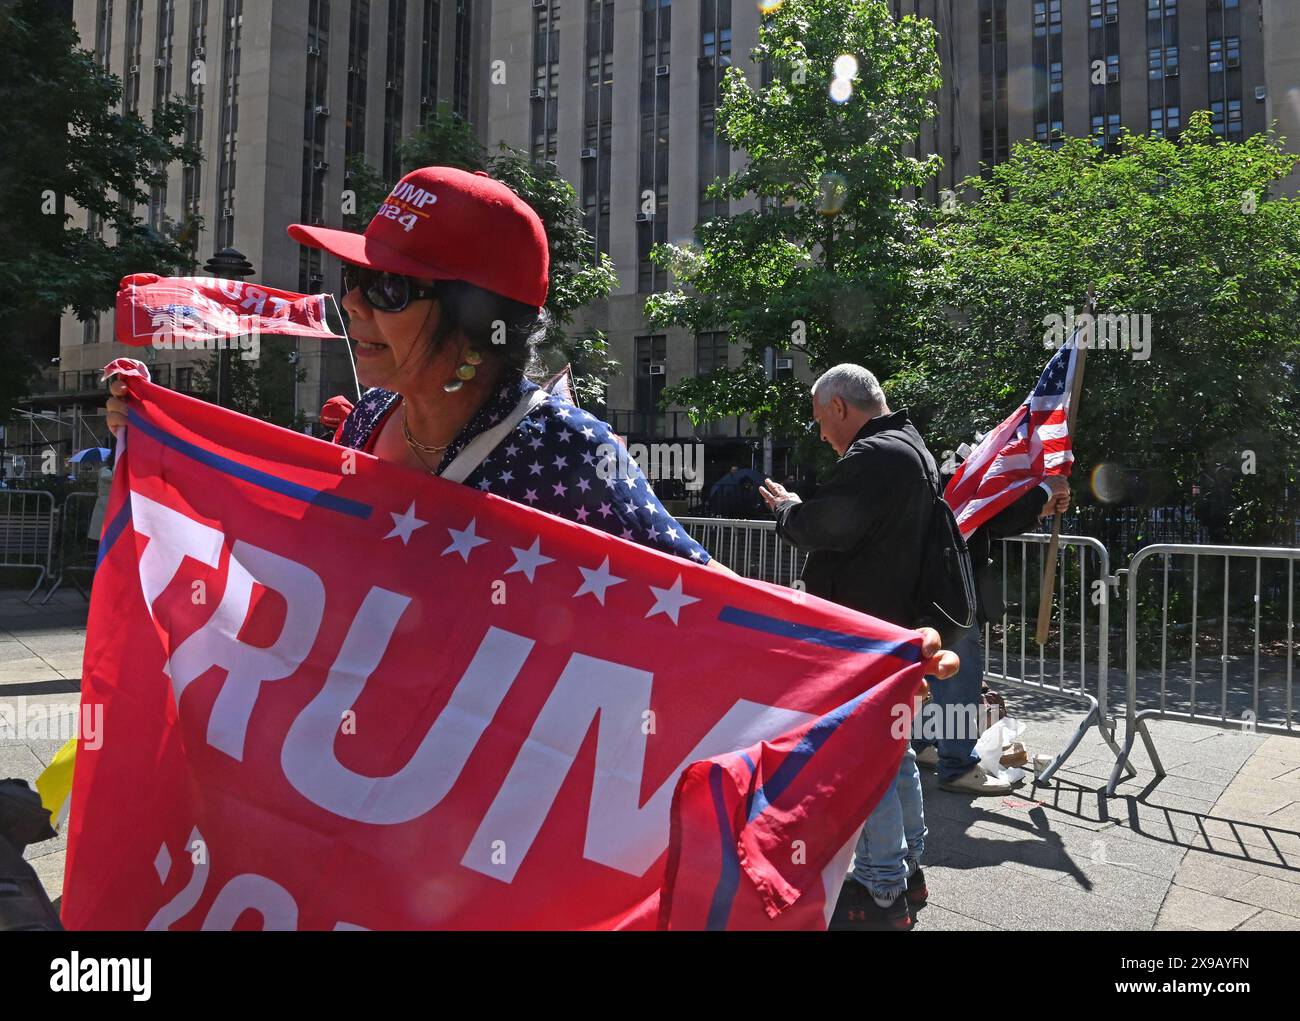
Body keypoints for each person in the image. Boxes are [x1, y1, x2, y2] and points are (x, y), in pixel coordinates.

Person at [759, 364, 948, 931]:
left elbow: (825, 526)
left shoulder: (876, 455)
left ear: (839, 407)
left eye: (820, 420)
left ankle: (881, 886)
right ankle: (905, 870)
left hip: (865, 632)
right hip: (892, 629)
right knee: (894, 753)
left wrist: (789, 510)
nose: (821, 433)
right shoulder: (910, 447)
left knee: (871, 760)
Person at [916, 475, 1071, 792]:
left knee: (940, 676)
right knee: (958, 679)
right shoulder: (969, 472)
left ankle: (927, 744)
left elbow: (992, 521)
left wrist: (1040, 506)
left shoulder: (954, 477)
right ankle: (956, 765)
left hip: (940, 588)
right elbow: (996, 514)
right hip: (949, 591)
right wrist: (1044, 492)